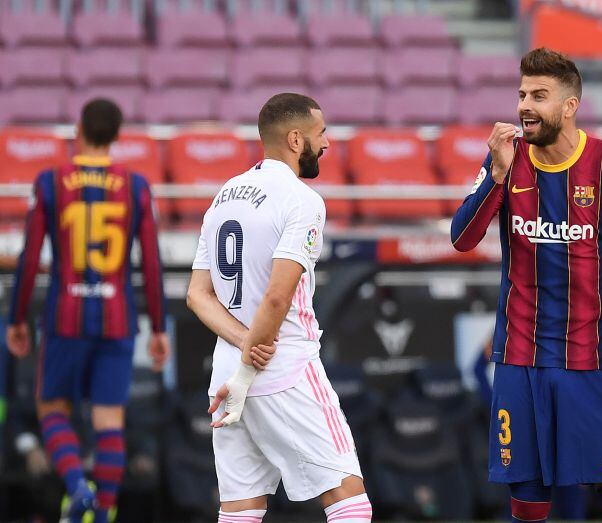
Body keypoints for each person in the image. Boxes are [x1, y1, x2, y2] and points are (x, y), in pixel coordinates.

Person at [450, 47, 602, 523]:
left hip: (590, 359)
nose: (525, 105)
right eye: (522, 93)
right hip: (520, 359)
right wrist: (496, 178)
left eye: (539, 96)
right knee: (527, 494)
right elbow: (462, 239)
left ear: (569, 105)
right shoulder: (507, 160)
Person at [185, 93, 371, 523]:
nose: (327, 143)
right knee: (349, 499)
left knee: (239, 509)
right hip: (283, 368)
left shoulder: (225, 195)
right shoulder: (303, 200)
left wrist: (242, 351)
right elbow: (276, 296)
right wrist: (252, 363)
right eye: (321, 133)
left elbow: (197, 294)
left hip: (227, 377)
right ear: (295, 139)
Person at [5, 98, 170, 523]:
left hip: (65, 316)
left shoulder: (49, 181)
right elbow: (150, 261)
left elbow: (29, 257)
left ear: (78, 129)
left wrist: (16, 318)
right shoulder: (137, 186)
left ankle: (79, 489)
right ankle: (104, 511)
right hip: (118, 318)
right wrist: (157, 326)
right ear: (117, 136)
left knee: (52, 408)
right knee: (109, 419)